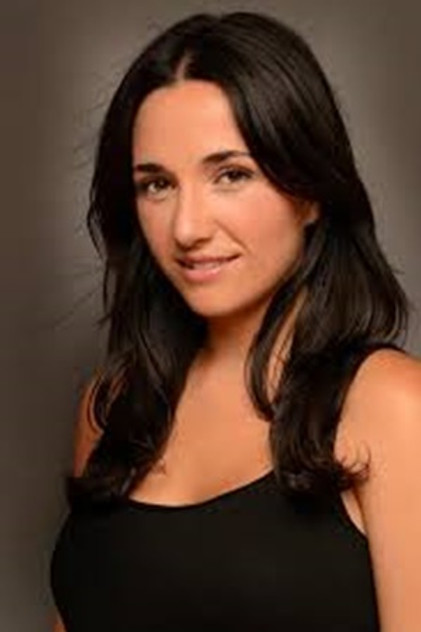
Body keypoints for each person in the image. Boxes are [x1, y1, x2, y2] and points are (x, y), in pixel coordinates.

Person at [49, 10, 421, 632]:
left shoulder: (393, 407)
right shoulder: (113, 406)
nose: (187, 228)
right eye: (156, 184)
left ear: (311, 190)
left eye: (231, 175)